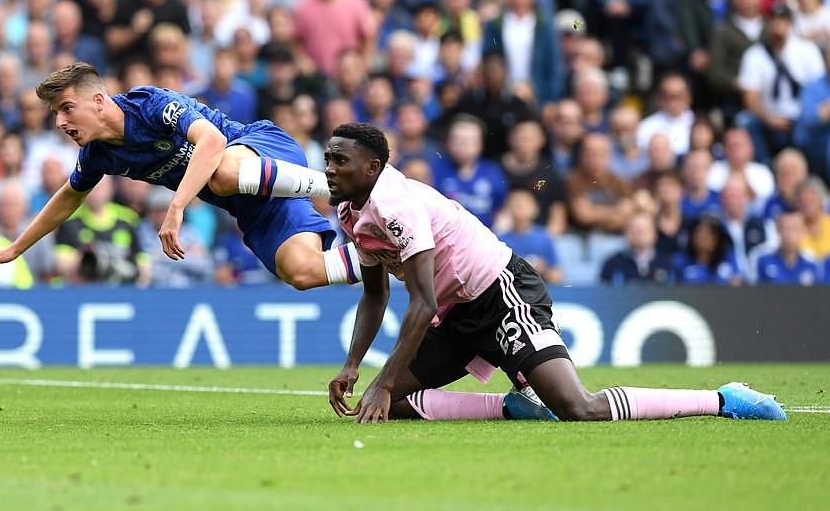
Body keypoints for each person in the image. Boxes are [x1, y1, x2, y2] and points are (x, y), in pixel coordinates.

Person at [325, 122, 786, 424]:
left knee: (577, 408)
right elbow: (374, 295)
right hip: (456, 310)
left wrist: (383, 379)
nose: (329, 169)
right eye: (328, 159)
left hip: (501, 294)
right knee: (389, 403)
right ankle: (513, 406)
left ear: (373, 167)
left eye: (339, 161)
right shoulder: (350, 210)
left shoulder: (396, 204)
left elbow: (421, 303)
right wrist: (354, 367)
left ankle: (723, 399)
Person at [0, 62, 361, 290]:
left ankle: (334, 186)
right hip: (252, 204)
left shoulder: (149, 104)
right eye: (55, 114)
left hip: (260, 152)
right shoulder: (98, 153)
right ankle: (383, 255)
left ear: (99, 101)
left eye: (67, 108)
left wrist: (176, 207)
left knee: (219, 171)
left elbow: (211, 141)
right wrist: (15, 249)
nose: (60, 121)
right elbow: (70, 195)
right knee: (303, 273)